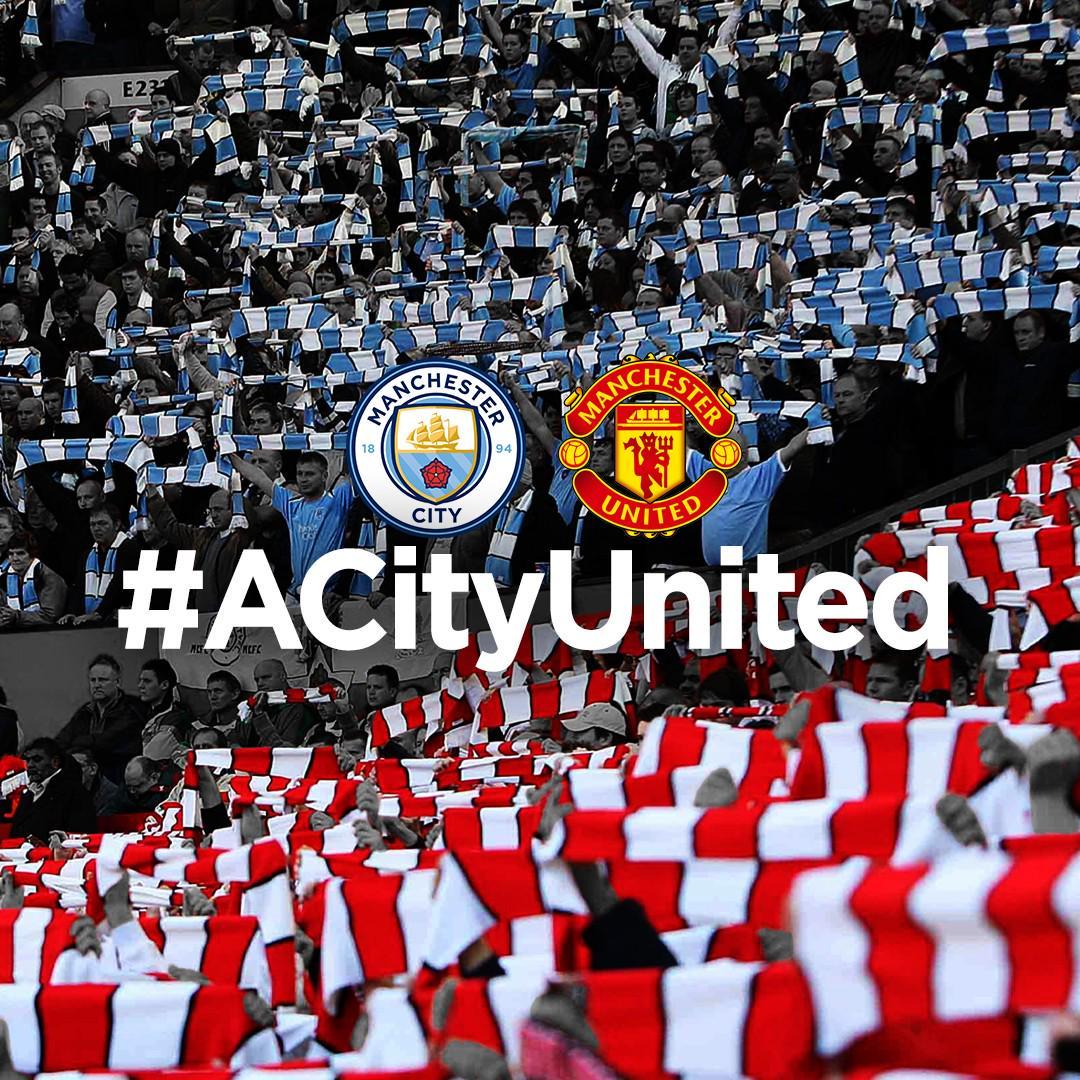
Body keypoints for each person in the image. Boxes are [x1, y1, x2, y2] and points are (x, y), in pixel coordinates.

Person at [54, 655, 145, 782]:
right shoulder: (86, 711)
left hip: (121, 778)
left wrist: (75, 746)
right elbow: (62, 739)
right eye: (93, 680)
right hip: (87, 778)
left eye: (102, 680)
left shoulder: (132, 709)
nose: (96, 685)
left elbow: (105, 742)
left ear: (117, 682)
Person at [10, 738, 96, 838]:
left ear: (55, 762)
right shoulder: (29, 792)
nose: (30, 765)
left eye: (37, 760)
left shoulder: (73, 792)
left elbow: (82, 833)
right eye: (28, 760)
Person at [136, 659, 193, 765]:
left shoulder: (175, 720)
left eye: (147, 681)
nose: (140, 686)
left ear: (165, 685)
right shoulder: (138, 713)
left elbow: (150, 758)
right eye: (140, 680)